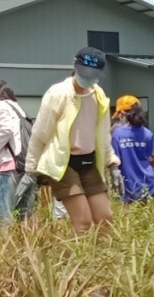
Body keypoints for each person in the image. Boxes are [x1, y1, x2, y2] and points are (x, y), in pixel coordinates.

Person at [20, 47, 122, 235]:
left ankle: (102, 253)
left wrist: (112, 164)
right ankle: (75, 254)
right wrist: (31, 171)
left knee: (105, 218)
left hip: (89, 162)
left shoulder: (99, 96)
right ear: (75, 67)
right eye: (85, 72)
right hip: (64, 164)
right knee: (83, 222)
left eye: (93, 74)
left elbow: (103, 136)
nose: (88, 77)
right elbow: (40, 133)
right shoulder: (58, 94)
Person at [0, 79, 34, 225]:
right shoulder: (18, 108)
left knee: (5, 213)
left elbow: (6, 129)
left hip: (10, 165)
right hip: (27, 165)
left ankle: (5, 239)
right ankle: (26, 239)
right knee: (25, 216)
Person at [111, 102, 154, 203]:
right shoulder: (147, 133)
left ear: (124, 114)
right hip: (149, 183)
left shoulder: (118, 134)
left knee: (129, 213)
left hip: (128, 185)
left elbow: (115, 159)